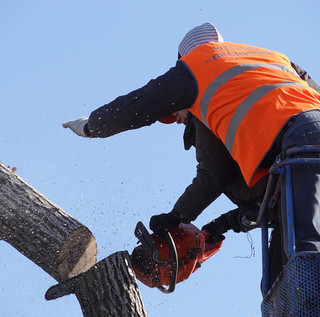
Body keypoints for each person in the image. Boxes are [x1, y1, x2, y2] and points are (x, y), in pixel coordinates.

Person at [63, 22, 320, 284]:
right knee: (280, 280)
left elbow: (140, 106)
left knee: (305, 259)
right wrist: (223, 224)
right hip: (298, 152)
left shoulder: (196, 69)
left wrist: (92, 126)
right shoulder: (271, 58)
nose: (175, 118)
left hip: (299, 145)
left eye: (174, 110)